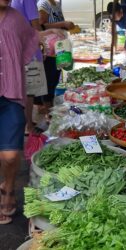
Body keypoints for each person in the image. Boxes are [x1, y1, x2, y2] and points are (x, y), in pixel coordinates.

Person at [0, 0, 62, 224]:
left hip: (10, 95)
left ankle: (8, 188)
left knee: (10, 155)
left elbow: (31, 37)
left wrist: (49, 32)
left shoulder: (15, 18)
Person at [11, 0, 48, 134]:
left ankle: (26, 122)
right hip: (29, 53)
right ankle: (29, 127)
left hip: (16, 51)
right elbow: (35, 26)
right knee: (29, 92)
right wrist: (43, 46)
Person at [35, 0, 74, 115]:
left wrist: (66, 27)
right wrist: (62, 24)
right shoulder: (44, 4)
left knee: (55, 77)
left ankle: (49, 106)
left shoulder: (56, 4)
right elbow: (40, 25)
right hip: (49, 50)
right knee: (49, 79)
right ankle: (47, 109)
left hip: (59, 48)